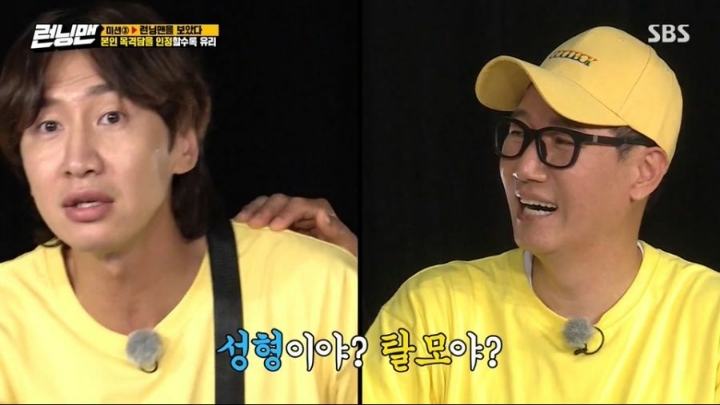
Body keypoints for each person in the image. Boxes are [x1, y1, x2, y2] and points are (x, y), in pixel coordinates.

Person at [0, 2, 357, 404]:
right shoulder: (8, 317)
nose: (79, 161)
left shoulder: (319, 291)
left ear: (184, 142)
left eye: (111, 117)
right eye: (49, 126)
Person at [361, 26, 720, 403]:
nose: (524, 167)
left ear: (644, 171)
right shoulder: (435, 311)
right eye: (518, 132)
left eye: (563, 140)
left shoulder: (708, 320)